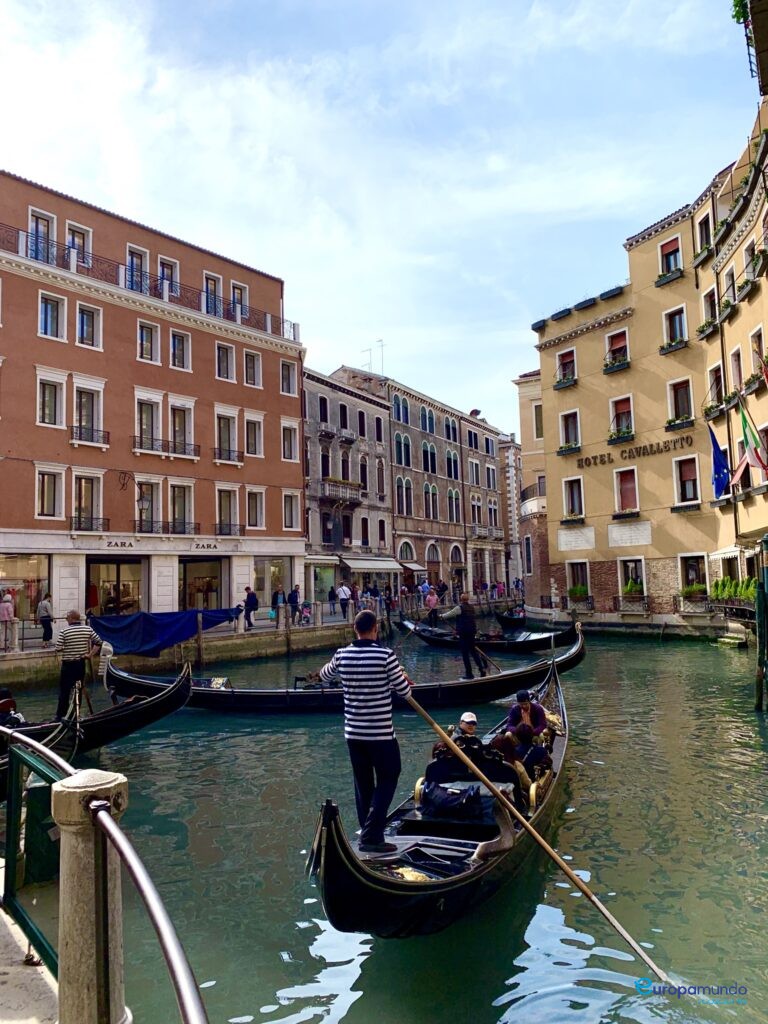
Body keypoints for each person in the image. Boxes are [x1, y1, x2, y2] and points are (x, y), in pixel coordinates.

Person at [314, 610, 411, 855]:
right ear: (375, 629)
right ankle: (371, 834)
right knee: (389, 777)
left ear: (355, 630)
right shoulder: (385, 655)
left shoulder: (342, 654)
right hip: (380, 733)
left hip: (354, 734)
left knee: (363, 783)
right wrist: (402, 680)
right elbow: (405, 693)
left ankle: (369, 832)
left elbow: (325, 676)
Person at [54, 610, 102, 720]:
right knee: (78, 690)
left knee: (64, 691)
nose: (66, 619)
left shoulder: (64, 632)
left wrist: (67, 647)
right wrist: (90, 655)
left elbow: (58, 648)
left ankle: (61, 716)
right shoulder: (87, 629)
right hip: (80, 664)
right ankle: (76, 714)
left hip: (68, 665)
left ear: (72, 618)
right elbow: (99, 642)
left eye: (67, 617)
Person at [440, 593, 487, 680]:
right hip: (472, 632)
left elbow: (449, 614)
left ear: (461, 599)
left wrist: (441, 616)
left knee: (465, 654)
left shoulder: (459, 607)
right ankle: (482, 669)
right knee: (473, 652)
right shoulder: (472, 607)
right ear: (467, 599)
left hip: (464, 633)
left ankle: (469, 674)